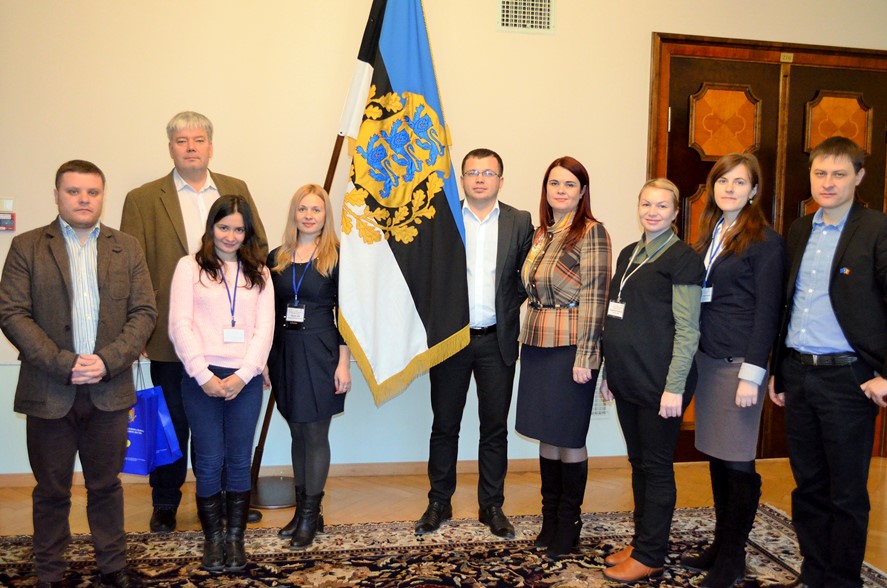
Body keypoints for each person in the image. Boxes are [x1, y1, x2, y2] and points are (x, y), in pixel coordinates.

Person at [0, 160, 156, 588]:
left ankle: (113, 566)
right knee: (51, 490)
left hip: (109, 389)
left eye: (92, 192)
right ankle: (49, 571)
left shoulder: (128, 247)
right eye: (73, 191)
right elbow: (12, 312)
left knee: (106, 486)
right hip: (49, 389)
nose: (84, 199)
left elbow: (144, 312)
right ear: (57, 195)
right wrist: (63, 363)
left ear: (102, 196)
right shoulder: (27, 246)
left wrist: (108, 360)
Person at [121, 111, 268, 532]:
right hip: (172, 336)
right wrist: (138, 327)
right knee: (174, 424)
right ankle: (165, 502)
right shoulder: (143, 198)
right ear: (170, 147)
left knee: (226, 428)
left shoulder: (235, 189)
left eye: (198, 140)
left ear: (210, 146)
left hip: (233, 342)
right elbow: (131, 267)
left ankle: (225, 501)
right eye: (182, 140)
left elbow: (257, 248)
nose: (190, 147)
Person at [768, 136, 887, 588]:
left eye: (839, 174)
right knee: (809, 486)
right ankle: (814, 572)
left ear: (859, 176)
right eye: (820, 173)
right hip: (799, 374)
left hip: (849, 380)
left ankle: (842, 580)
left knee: (846, 493)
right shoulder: (800, 229)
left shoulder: (877, 229)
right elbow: (789, 303)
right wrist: (779, 368)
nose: (828, 182)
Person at [413, 149, 533, 539]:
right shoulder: (443, 217)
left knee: (494, 428)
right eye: (472, 172)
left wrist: (507, 306)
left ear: (501, 180)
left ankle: (491, 505)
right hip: (451, 340)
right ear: (462, 179)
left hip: (496, 341)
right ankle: (438, 502)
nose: (480, 179)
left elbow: (525, 277)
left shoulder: (519, 221)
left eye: (488, 172)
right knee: (444, 426)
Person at [680, 153, 784, 587]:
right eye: (723, 181)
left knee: (738, 462)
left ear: (754, 191)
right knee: (718, 456)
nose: (730, 189)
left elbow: (768, 311)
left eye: (740, 182)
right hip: (708, 360)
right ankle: (721, 545)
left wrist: (753, 372)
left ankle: (733, 557)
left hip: (738, 363)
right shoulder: (710, 234)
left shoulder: (765, 242)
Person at [600, 178, 704, 583]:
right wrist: (609, 372)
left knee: (657, 466)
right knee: (638, 463)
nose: (653, 212)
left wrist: (675, 386)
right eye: (646, 204)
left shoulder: (683, 259)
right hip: (628, 377)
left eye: (662, 206)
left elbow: (688, 329)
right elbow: (615, 315)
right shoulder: (629, 253)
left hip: (662, 383)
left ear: (676, 212)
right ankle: (641, 541)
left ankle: (651, 555)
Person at [168, 195, 274, 572]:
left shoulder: (260, 273)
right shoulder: (189, 267)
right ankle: (213, 539)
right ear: (211, 227)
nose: (230, 236)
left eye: (238, 229)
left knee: (239, 459)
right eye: (224, 227)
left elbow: (264, 329)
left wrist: (244, 375)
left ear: (248, 233)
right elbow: (179, 325)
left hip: (245, 377)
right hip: (201, 377)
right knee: (210, 459)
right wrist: (204, 375)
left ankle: (235, 539)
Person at [514, 156, 611, 557]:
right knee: (546, 432)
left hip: (572, 346)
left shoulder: (592, 232)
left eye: (570, 184)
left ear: (582, 191)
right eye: (554, 183)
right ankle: (549, 518)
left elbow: (596, 297)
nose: (561, 190)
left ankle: (569, 522)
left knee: (568, 435)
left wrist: (587, 356)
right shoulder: (543, 234)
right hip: (537, 342)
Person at [266, 184, 351, 549]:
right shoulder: (277, 257)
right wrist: (264, 360)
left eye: (316, 209)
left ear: (325, 215)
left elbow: (346, 315)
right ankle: (306, 513)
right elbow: (268, 311)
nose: (309, 215)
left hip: (321, 352)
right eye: (303, 209)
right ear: (294, 213)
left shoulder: (337, 256)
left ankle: (310, 515)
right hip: (284, 351)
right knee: (297, 432)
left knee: (315, 433)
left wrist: (344, 364)